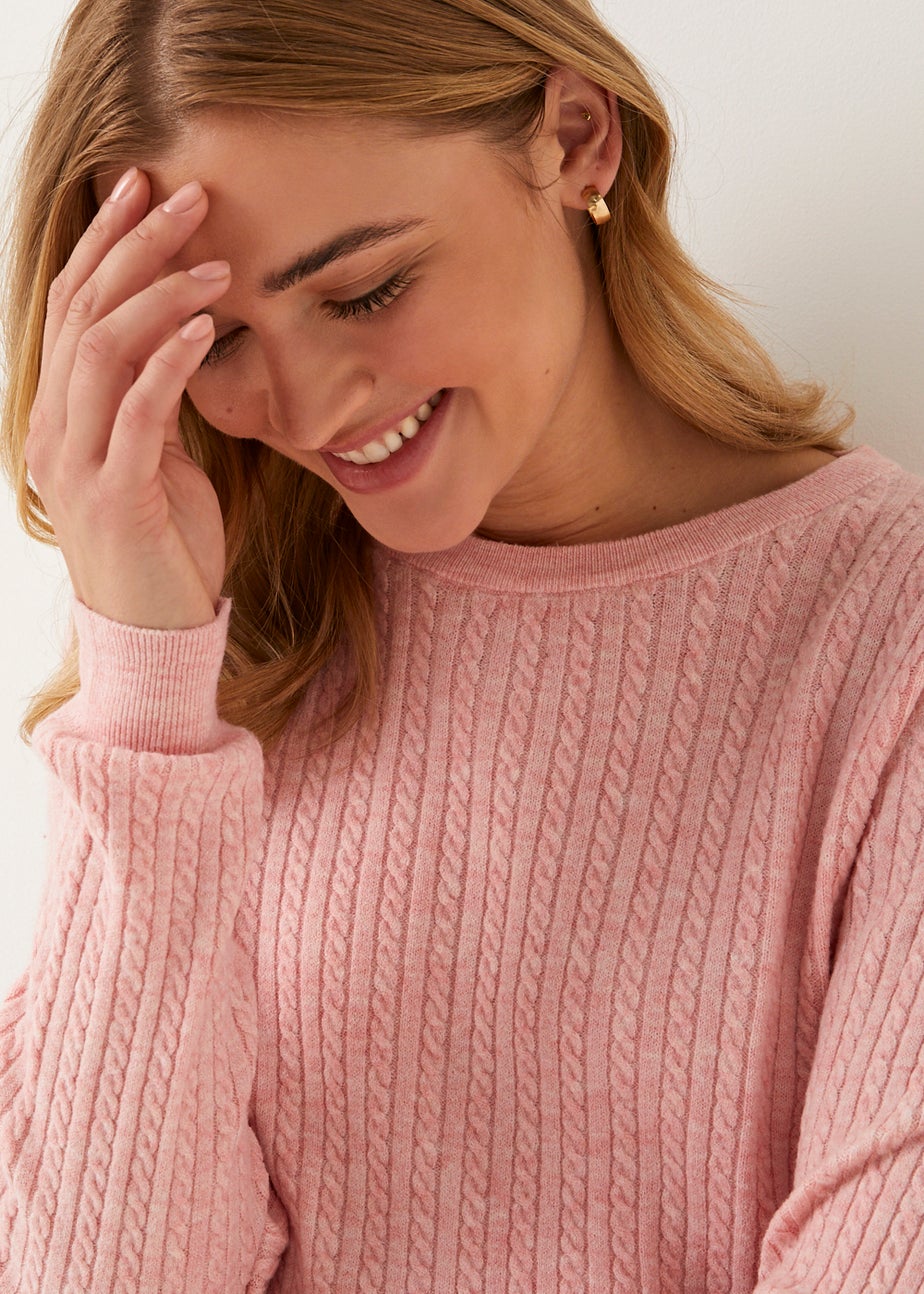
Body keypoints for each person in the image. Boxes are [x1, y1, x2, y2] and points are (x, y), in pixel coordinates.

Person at [1, 0, 923, 1289]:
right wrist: (143, 676)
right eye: (216, 339)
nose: (312, 404)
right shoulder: (210, 687)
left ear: (576, 137)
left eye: (364, 287)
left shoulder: (888, 639)